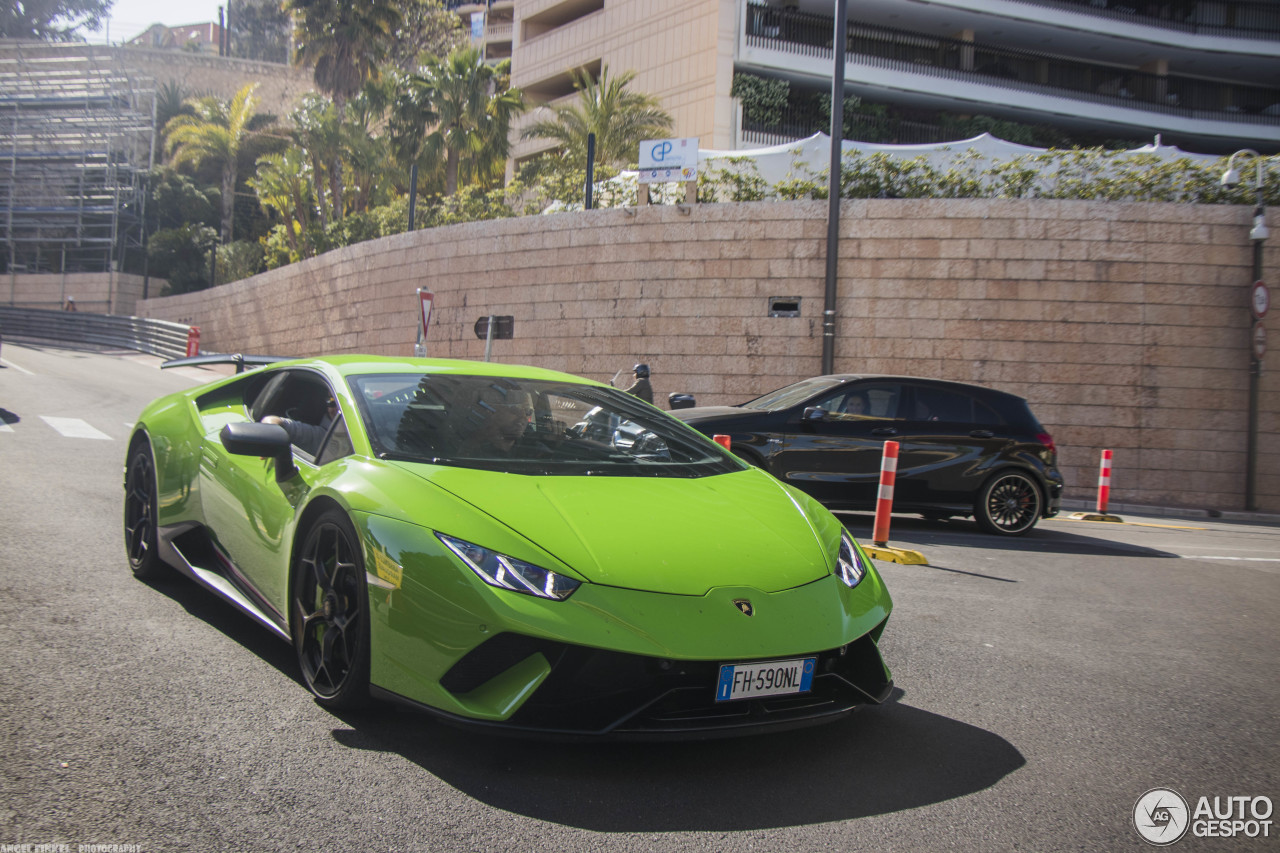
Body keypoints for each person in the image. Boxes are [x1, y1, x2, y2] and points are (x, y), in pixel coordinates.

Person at [262, 396, 337, 455]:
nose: (332, 409)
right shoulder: (321, 436)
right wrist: (269, 439)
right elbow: (272, 420)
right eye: (331, 401)